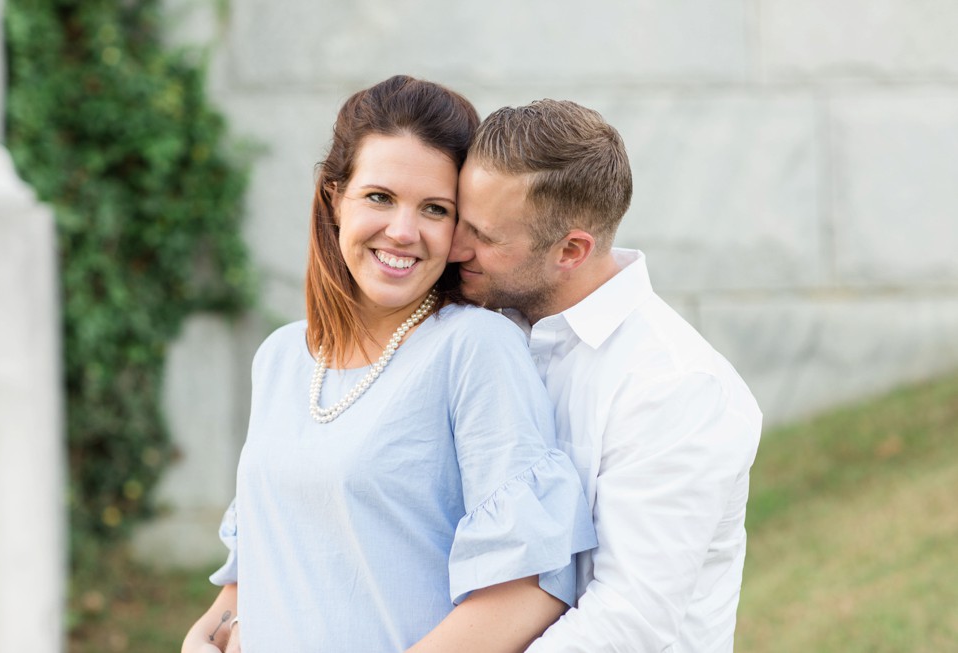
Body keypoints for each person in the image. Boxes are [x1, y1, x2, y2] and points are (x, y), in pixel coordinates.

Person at [181, 77, 596, 653]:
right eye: (379, 197)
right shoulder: (280, 357)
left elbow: (530, 589)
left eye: (434, 209)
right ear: (334, 198)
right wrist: (207, 633)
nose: (403, 232)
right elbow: (259, 564)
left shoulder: (474, 348)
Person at [448, 99, 763, 652]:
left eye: (485, 236)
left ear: (571, 250)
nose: (454, 248)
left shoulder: (676, 386)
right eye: (457, 219)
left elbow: (629, 620)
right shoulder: (484, 330)